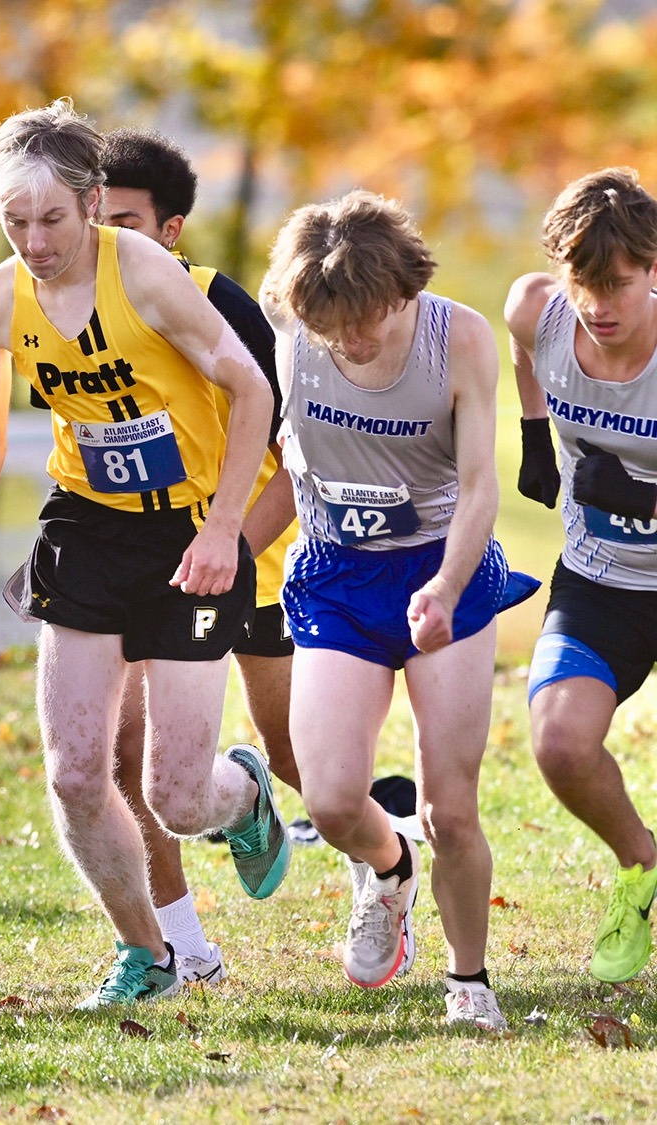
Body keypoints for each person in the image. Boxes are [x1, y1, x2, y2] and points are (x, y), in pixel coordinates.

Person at [0, 100, 286, 1010]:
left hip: (188, 530)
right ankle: (147, 952)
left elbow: (250, 392)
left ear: (91, 203)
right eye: (14, 221)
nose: (34, 240)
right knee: (76, 770)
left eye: (51, 219)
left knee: (176, 792)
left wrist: (221, 529)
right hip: (87, 525)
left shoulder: (146, 272)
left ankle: (243, 795)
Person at [261, 190, 533, 1031]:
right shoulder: (288, 324)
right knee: (334, 799)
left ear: (403, 288)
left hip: (440, 569)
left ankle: (469, 982)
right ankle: (388, 866)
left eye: (367, 319)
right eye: (331, 323)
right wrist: (227, 545)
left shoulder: (459, 340)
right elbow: (273, 448)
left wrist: (448, 587)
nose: (350, 339)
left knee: (452, 804)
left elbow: (482, 484)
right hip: (337, 576)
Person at [90, 128, 299, 987]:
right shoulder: (73, 302)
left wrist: (224, 549)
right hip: (138, 563)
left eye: (125, 223)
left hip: (246, 560)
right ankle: (179, 949)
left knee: (300, 758)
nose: (104, 240)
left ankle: (381, 867)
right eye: (92, 220)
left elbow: (296, 461)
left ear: (172, 231)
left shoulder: (221, 304)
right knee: (119, 753)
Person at [508, 168, 657, 984]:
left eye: (618, 284)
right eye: (583, 283)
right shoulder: (541, 310)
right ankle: (640, 866)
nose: (598, 305)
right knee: (560, 745)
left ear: (654, 270)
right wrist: (535, 430)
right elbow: (520, 332)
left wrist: (644, 494)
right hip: (601, 582)